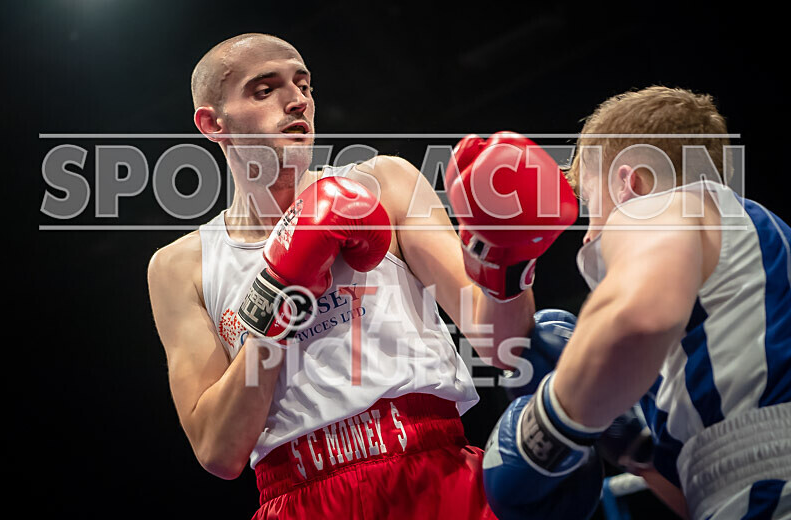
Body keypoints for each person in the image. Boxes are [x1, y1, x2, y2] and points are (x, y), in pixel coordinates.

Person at [147, 33, 577, 519]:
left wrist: (506, 261)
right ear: (213, 123)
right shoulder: (182, 264)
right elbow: (218, 452)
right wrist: (277, 301)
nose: (296, 101)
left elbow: (504, 347)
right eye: (264, 89)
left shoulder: (385, 183)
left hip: (434, 474)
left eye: (303, 85)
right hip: (298, 497)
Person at [480, 86, 791, 520]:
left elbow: (639, 317)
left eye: (591, 207)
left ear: (633, 183)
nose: (589, 236)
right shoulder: (751, 253)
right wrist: (637, 454)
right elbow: (708, 490)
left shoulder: (661, 207)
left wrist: (548, 427)